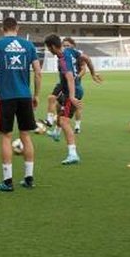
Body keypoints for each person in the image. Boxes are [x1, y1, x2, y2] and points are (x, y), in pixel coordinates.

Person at [0, 17, 42, 191]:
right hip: (25, 96)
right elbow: (38, 73)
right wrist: (36, 95)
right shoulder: (29, 45)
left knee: (6, 136)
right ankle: (29, 178)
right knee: (26, 136)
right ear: (17, 28)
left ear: (2, 28)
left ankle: (7, 181)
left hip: (7, 97)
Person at [44, 34, 81, 165]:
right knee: (60, 116)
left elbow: (70, 77)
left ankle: (73, 154)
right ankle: (56, 133)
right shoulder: (69, 52)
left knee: (64, 121)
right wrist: (93, 73)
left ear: (53, 46)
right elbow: (86, 58)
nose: (49, 51)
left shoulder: (63, 59)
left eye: (49, 48)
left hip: (72, 91)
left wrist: (71, 96)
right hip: (68, 90)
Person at [62, 36, 103, 134]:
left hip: (75, 86)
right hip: (66, 86)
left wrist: (77, 77)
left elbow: (84, 69)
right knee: (60, 105)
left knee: (73, 107)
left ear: (73, 45)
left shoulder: (77, 55)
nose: (66, 47)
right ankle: (57, 125)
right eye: (64, 46)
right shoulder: (64, 55)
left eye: (67, 45)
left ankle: (76, 127)